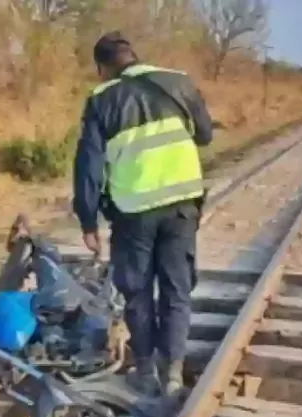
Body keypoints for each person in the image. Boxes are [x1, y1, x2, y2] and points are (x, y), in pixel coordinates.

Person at [72, 31, 213, 398]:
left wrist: (89, 222)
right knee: (176, 290)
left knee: (136, 292)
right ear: (133, 56)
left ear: (102, 67)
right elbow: (206, 135)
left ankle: (147, 369)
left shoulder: (102, 99)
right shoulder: (179, 82)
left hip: (133, 212)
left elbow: (88, 166)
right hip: (182, 205)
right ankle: (175, 374)